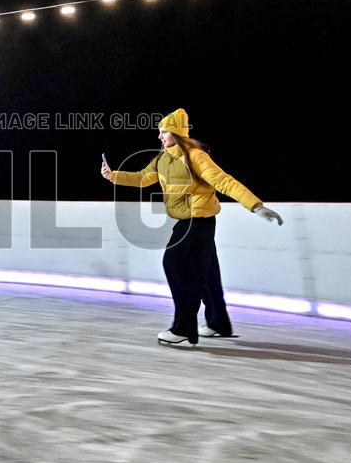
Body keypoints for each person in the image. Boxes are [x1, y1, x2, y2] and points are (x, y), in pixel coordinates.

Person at [101, 108, 283, 346]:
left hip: (198, 221)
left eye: (164, 131)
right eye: (159, 131)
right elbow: (143, 178)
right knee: (207, 272)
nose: (159, 136)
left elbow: (224, 181)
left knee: (174, 263)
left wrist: (256, 206)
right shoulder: (162, 158)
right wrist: (113, 176)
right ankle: (218, 322)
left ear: (176, 133)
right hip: (187, 220)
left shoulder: (195, 157)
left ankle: (184, 327)